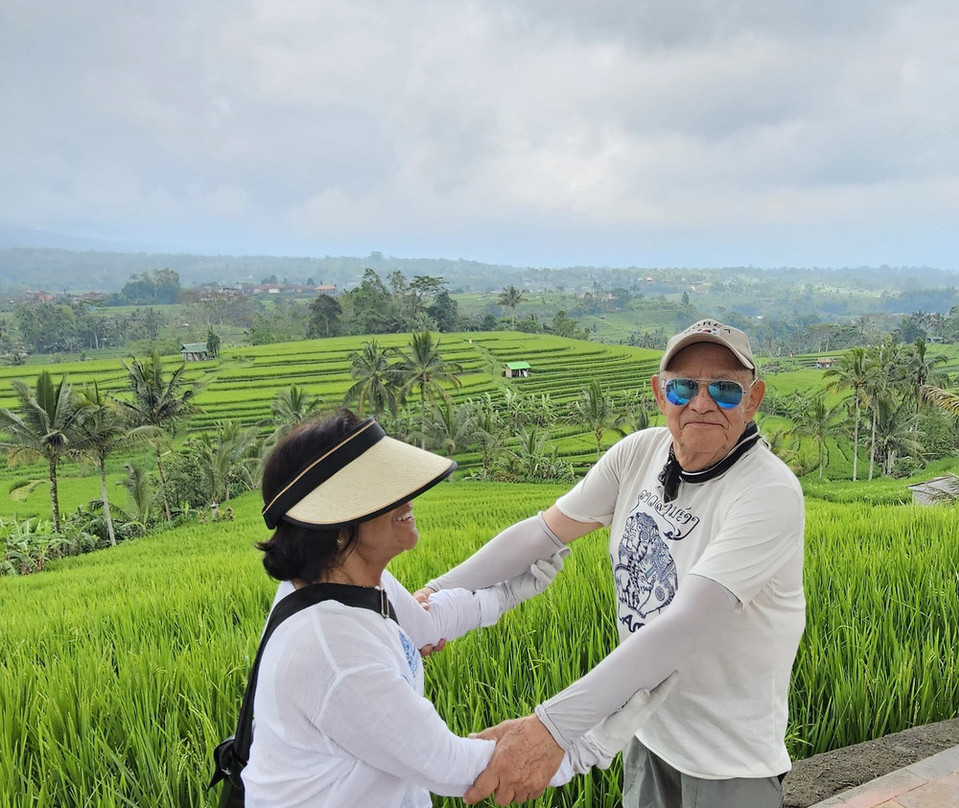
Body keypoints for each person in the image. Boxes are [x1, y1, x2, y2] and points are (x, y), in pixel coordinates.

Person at [420, 319, 806, 808]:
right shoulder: (638, 454)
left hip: (728, 760)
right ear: (659, 393)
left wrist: (551, 729)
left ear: (753, 400)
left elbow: (685, 623)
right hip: (646, 733)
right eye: (684, 386)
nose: (702, 403)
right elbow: (542, 533)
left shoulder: (767, 492)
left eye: (726, 391)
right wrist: (433, 599)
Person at [240, 409, 675, 808]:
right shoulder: (336, 654)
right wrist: (589, 743)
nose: (407, 500)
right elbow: (455, 766)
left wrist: (506, 593)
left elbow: (425, 624)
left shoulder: (346, 580)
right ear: (336, 528)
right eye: (385, 493)